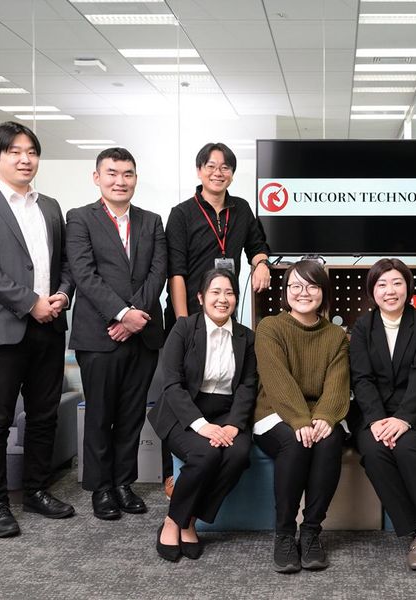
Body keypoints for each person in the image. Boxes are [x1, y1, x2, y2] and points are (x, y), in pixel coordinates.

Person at [0, 121, 76, 537]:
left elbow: (64, 263)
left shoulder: (50, 206)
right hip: (1, 331)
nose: (25, 159)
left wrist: (62, 295)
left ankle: (37, 490)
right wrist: (30, 302)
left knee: (44, 416)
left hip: (50, 326)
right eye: (15, 152)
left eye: (32, 152)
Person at [163, 141, 271, 494]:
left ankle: (214, 449)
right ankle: (172, 472)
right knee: (183, 389)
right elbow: (176, 272)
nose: (217, 172)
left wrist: (260, 264)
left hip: (223, 310)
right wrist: (184, 323)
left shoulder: (241, 209)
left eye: (225, 167)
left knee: (223, 382)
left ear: (232, 174)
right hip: (189, 313)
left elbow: (257, 245)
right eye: (210, 166)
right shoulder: (182, 213)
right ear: (199, 171)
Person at [66, 147, 167, 520]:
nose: (120, 181)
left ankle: (124, 483)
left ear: (136, 178)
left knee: (131, 414)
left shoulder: (151, 221)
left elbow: (158, 271)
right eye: (112, 173)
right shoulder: (79, 218)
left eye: (127, 174)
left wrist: (134, 316)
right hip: (98, 336)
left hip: (143, 335)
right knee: (100, 414)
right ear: (97, 177)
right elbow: (84, 273)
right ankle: (101, 488)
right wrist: (122, 314)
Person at [349, 258, 416, 574]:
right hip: (375, 414)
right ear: (372, 291)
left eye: (397, 283)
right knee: (373, 451)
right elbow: (361, 378)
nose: (390, 291)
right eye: (382, 284)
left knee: (408, 448)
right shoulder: (362, 327)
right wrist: (377, 419)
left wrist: (403, 418)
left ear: (408, 287)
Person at [148, 268, 257, 562]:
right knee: (205, 454)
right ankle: (173, 522)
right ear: (200, 297)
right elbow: (172, 384)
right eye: (215, 292)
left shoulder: (246, 337)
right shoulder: (184, 329)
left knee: (238, 454)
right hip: (183, 411)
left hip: (226, 412)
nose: (223, 299)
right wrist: (200, 425)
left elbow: (248, 385)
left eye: (229, 293)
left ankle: (188, 519)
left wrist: (234, 425)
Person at [253, 260, 349, 573]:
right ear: (285, 292)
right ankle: (284, 534)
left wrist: (325, 416)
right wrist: (300, 421)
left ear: (323, 292)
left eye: (311, 286)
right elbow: (277, 381)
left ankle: (310, 533)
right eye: (295, 286)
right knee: (295, 443)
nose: (303, 292)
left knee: (330, 441)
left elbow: (337, 383)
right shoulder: (270, 327)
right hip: (275, 412)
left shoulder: (335, 335)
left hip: (318, 412)